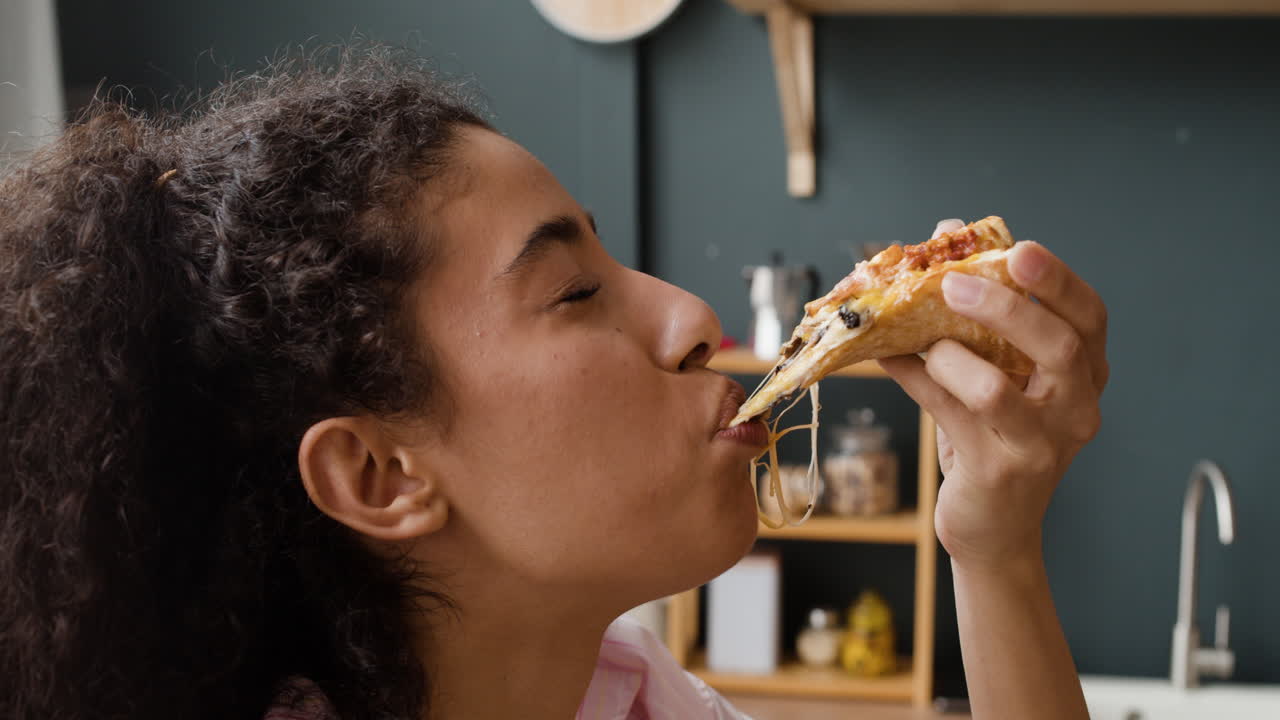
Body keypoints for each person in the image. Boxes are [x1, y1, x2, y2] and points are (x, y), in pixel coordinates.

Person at [0, 46, 1106, 720]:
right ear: (380, 474)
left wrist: (995, 545)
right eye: (574, 294)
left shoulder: (640, 699)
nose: (691, 317)